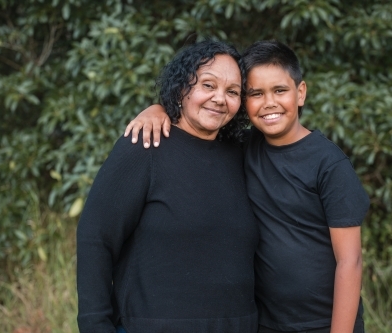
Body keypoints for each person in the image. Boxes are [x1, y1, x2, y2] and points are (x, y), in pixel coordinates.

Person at [124, 40, 370, 333]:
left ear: (300, 93)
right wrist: (157, 109)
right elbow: (195, 127)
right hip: (264, 322)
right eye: (255, 93)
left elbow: (350, 261)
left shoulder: (329, 164)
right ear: (243, 101)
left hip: (321, 323)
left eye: (280, 90)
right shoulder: (242, 147)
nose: (269, 103)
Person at [76, 40, 259, 333]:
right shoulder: (145, 146)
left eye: (233, 92)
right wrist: (95, 326)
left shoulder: (244, 154)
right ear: (182, 86)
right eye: (208, 85)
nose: (220, 98)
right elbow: (95, 238)